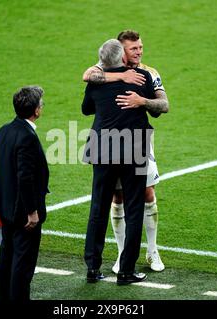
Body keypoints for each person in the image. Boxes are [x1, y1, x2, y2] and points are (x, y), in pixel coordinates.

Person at [83, 30, 169, 273]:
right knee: (118, 199)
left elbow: (164, 105)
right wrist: (118, 77)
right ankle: (123, 257)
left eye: (141, 47)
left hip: (136, 144)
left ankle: (152, 251)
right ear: (122, 51)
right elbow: (87, 75)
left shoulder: (148, 73)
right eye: (134, 49)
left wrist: (142, 102)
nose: (139, 52)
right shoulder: (103, 69)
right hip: (121, 146)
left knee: (147, 194)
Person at [0, 86, 49, 301]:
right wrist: (31, 212)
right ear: (36, 111)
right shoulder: (27, 137)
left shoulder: (4, 130)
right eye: (41, 104)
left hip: (5, 207)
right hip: (23, 213)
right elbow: (25, 177)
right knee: (22, 266)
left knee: (6, 258)